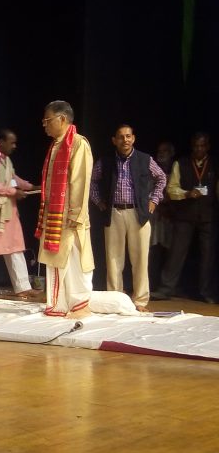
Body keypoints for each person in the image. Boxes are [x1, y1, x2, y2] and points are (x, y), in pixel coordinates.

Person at [90, 124, 167, 312]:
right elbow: (91, 180)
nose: (125, 140)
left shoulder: (144, 159)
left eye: (128, 136)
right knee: (114, 259)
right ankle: (115, 301)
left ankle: (140, 301)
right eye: (121, 137)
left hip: (138, 213)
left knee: (140, 258)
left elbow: (161, 178)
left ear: (133, 138)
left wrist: (154, 201)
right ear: (114, 140)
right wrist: (99, 201)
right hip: (114, 213)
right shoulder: (107, 161)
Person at [35, 100, 94, 319]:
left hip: (70, 216)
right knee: (56, 260)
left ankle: (79, 305)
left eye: (47, 120)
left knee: (74, 260)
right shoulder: (56, 145)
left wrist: (75, 214)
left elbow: (80, 182)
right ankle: (58, 304)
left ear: (62, 119)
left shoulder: (78, 143)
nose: (45, 125)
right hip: (54, 215)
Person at [155, 132, 217, 303]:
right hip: (185, 214)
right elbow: (171, 189)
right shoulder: (181, 163)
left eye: (202, 145)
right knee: (176, 252)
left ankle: (207, 292)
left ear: (208, 147)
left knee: (208, 256)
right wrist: (187, 193)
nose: (199, 149)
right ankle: (166, 288)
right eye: (196, 145)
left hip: (208, 215)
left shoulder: (215, 164)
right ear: (192, 146)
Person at [0, 128, 43, 299]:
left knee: (16, 249)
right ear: (0, 142)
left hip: (9, 212)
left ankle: (23, 287)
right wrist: (13, 192)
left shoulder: (7, 160)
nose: (14, 146)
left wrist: (32, 187)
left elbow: (13, 179)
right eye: (11, 142)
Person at [149, 141, 176, 293]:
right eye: (159, 150)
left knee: (171, 251)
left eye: (165, 150)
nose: (161, 153)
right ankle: (152, 285)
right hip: (156, 215)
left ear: (171, 153)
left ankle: (168, 287)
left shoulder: (175, 168)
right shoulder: (152, 169)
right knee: (153, 250)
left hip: (172, 215)